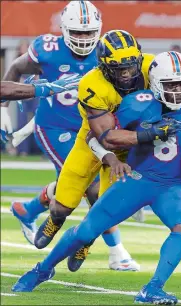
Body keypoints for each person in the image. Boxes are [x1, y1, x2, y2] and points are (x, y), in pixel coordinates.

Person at [11, 51, 181, 305]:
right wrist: (111, 157)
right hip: (137, 178)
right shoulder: (137, 104)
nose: (178, 90)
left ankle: (152, 288)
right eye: (171, 85)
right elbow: (96, 136)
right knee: (87, 229)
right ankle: (42, 269)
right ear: (155, 83)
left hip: (175, 185)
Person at [2, 1, 139, 272]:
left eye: (90, 33)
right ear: (64, 29)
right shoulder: (48, 49)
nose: (84, 39)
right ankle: (117, 251)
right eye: (77, 32)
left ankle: (29, 209)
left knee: (73, 185)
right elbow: (17, 68)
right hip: (54, 127)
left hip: (90, 129)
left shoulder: (107, 52)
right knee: (91, 188)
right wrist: (3, 108)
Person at [33, 27, 167, 272]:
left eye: (130, 66)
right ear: (105, 66)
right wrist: (148, 135)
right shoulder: (92, 84)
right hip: (93, 142)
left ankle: (86, 242)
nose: (126, 73)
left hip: (130, 147)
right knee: (63, 204)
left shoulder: (154, 67)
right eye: (119, 68)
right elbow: (105, 138)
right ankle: (55, 219)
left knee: (107, 210)